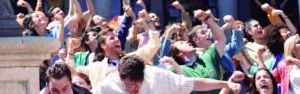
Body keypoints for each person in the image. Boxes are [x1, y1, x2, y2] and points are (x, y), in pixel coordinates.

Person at [92, 55, 242, 94]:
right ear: (121, 77)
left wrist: (226, 84)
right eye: (132, 83)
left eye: (139, 81)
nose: (136, 87)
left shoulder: (156, 76)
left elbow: (194, 83)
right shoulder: (107, 86)